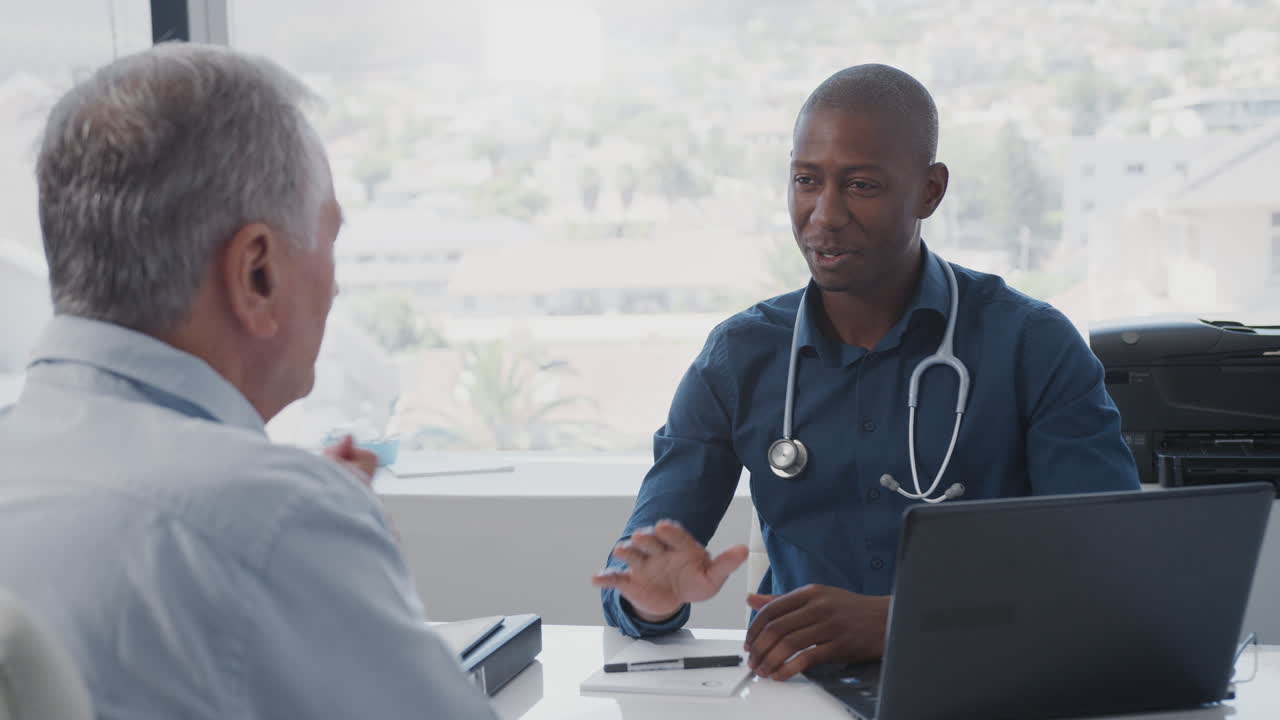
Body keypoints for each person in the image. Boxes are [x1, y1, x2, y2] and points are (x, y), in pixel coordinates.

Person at [592, 63, 1139, 682]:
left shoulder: (1032, 346)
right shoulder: (740, 357)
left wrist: (902, 620)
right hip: (797, 693)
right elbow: (634, 574)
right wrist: (651, 600)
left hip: (990, 682)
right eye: (806, 181)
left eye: (861, 185)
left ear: (930, 191)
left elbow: (1108, 572)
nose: (824, 215)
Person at [0, 43, 497, 719]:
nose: (335, 285)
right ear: (256, 272)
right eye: (329, 240)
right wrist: (318, 531)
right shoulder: (275, 522)